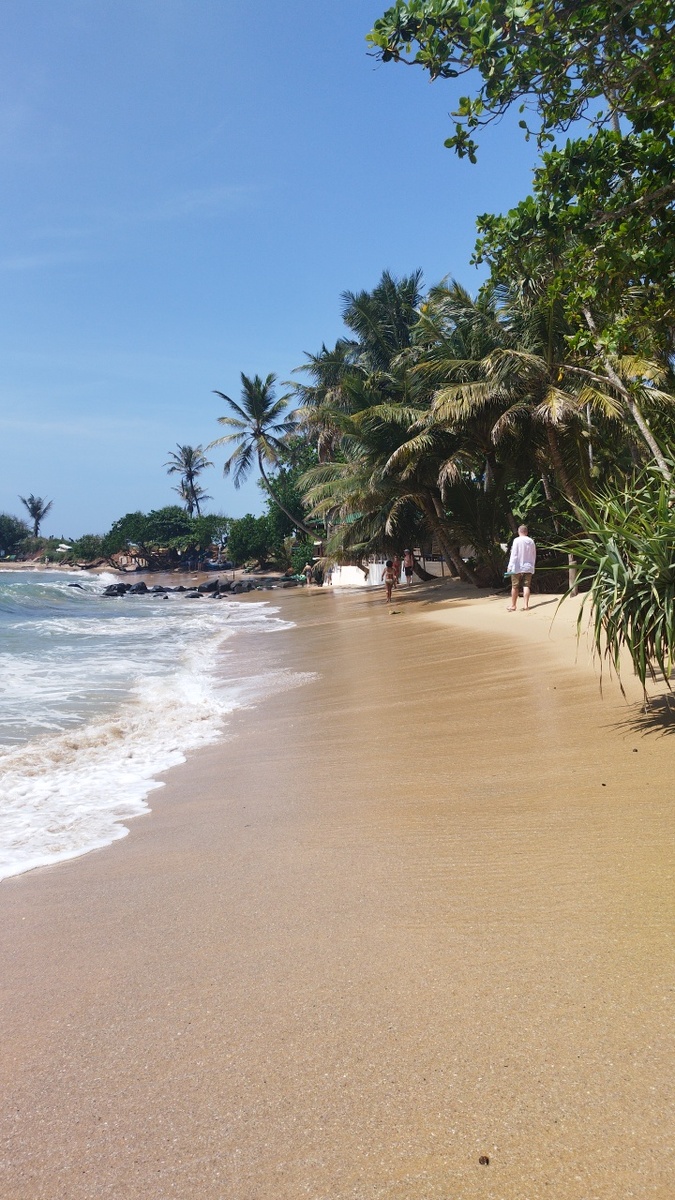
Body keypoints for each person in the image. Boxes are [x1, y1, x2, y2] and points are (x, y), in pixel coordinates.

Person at [507, 525, 536, 611]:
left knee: (515, 586)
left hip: (517, 567)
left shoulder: (517, 540)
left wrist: (510, 566)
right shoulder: (531, 541)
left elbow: (514, 554)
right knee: (526, 586)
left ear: (519, 532)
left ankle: (513, 605)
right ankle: (526, 605)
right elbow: (533, 554)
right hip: (528, 566)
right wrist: (532, 565)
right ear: (526, 532)